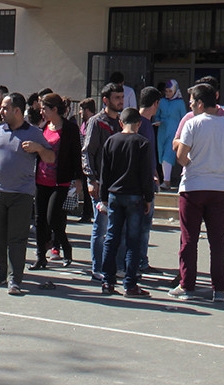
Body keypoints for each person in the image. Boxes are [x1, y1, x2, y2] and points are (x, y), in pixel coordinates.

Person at [168, 83, 224, 302]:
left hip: (193, 187)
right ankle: (219, 289)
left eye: (192, 102)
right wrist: (219, 165)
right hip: (220, 187)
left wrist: (196, 163)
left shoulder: (192, 124)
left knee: (189, 239)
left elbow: (181, 157)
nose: (190, 105)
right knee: (218, 240)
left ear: (201, 103)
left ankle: (187, 285)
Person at [0, 92, 54, 295]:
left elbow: (51, 157)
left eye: (5, 108)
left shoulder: (33, 133)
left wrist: (38, 149)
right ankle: (2, 270)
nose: (1, 111)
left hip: (21, 195)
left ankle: (14, 279)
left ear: (17, 111)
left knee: (17, 238)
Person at [99, 108, 154, 297]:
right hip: (135, 196)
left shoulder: (111, 141)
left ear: (121, 123)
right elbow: (146, 174)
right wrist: (149, 197)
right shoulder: (142, 143)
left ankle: (107, 280)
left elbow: (104, 172)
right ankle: (130, 283)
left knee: (112, 237)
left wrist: (103, 197)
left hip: (114, 194)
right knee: (133, 240)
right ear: (138, 124)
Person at [29, 93, 83, 270]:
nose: (42, 112)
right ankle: (40, 257)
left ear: (54, 109)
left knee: (53, 218)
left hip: (60, 181)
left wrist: (78, 178)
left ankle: (65, 248)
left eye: (44, 108)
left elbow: (76, 154)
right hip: (41, 179)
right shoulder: (43, 127)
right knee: (39, 220)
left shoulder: (70, 129)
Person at [82, 82, 124, 282]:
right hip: (101, 184)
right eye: (117, 98)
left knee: (118, 228)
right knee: (101, 227)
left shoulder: (122, 123)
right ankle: (97, 267)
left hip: (120, 183)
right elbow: (88, 152)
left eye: (122, 97)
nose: (121, 101)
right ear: (106, 100)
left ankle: (115, 266)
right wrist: (91, 179)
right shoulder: (96, 122)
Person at [154, 79, 187, 190]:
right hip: (162, 131)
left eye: (170, 91)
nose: (167, 94)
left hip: (174, 132)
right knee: (161, 154)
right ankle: (166, 179)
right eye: (166, 91)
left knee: (168, 156)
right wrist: (157, 120)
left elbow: (184, 119)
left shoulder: (180, 103)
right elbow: (156, 115)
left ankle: (166, 181)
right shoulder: (162, 101)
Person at [77, 98, 96, 224]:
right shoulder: (83, 124)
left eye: (82, 109)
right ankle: (86, 213)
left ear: (87, 110)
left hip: (91, 162)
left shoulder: (93, 123)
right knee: (85, 187)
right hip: (83, 161)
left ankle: (89, 213)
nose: (80, 112)